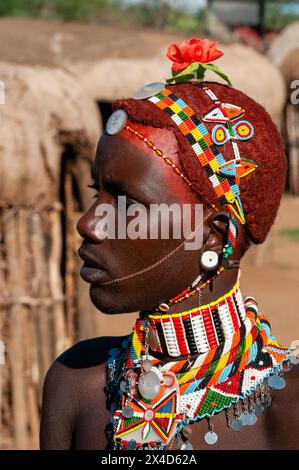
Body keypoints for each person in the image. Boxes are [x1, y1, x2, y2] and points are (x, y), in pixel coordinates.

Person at [40, 38, 299, 450]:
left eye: (127, 203)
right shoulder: (74, 384)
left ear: (214, 234)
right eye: (97, 193)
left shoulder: (287, 407)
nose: (89, 223)